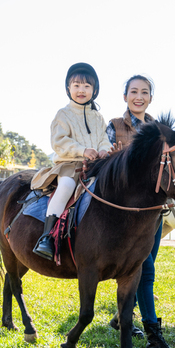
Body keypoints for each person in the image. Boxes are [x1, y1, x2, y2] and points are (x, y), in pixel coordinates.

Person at [105, 74, 175, 348]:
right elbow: (107, 166)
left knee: (143, 269)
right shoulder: (113, 126)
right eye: (133, 92)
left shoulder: (161, 130)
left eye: (144, 92)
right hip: (124, 214)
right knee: (145, 270)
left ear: (150, 97)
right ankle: (153, 337)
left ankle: (121, 318)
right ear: (125, 96)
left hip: (154, 212)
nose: (139, 96)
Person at [31, 62, 111, 261]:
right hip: (70, 165)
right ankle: (46, 236)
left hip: (96, 166)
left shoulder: (98, 117)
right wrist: (83, 150)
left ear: (94, 90)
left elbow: (104, 139)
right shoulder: (63, 114)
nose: (81, 90)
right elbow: (59, 141)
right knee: (66, 185)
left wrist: (103, 150)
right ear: (68, 89)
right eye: (76, 85)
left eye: (86, 86)